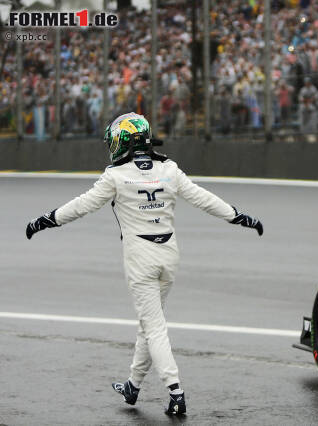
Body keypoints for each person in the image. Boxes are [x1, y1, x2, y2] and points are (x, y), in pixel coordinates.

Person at [24, 112, 263, 415]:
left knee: (154, 328)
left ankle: (176, 393)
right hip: (169, 256)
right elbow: (204, 199)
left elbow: (80, 206)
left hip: (140, 259)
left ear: (124, 141)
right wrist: (240, 217)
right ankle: (132, 386)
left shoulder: (115, 176)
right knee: (149, 324)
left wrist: (43, 221)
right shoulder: (169, 169)